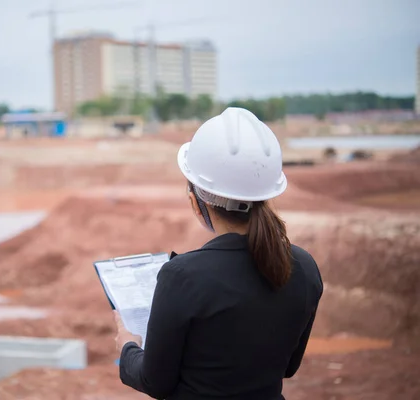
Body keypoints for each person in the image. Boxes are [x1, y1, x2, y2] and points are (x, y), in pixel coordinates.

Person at [114, 107, 323, 400]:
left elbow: (155, 381)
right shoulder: (304, 266)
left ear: (195, 202)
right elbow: (288, 366)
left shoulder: (182, 276)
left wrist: (128, 348)